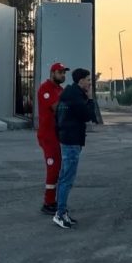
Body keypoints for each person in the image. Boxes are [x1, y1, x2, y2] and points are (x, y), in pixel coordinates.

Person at [53, 68, 98, 229]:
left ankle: (61, 212)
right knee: (67, 179)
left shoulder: (68, 94)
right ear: (81, 81)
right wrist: (90, 99)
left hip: (67, 139)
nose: (89, 83)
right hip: (71, 141)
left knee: (65, 177)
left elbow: (57, 116)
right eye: (88, 80)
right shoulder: (76, 97)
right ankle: (60, 213)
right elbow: (88, 116)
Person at [36, 62, 69, 215]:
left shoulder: (60, 90)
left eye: (64, 73)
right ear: (52, 73)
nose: (63, 75)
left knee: (59, 168)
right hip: (48, 135)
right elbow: (58, 108)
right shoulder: (45, 89)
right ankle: (48, 202)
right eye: (60, 72)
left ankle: (53, 201)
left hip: (58, 134)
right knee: (53, 167)